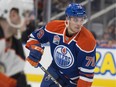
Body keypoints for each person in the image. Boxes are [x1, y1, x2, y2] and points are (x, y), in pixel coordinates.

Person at [26, 3, 96, 87]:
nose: (79, 24)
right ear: (68, 18)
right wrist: (34, 50)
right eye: (75, 20)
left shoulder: (88, 41)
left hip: (74, 81)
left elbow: (87, 76)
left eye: (82, 20)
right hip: (55, 71)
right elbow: (34, 37)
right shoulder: (53, 27)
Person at [0, 0, 34, 87]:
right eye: (26, 13)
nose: (29, 20)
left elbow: (15, 80)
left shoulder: (17, 50)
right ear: (13, 14)